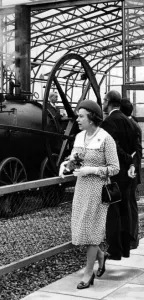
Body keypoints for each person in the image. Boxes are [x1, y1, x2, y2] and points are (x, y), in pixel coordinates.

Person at [59, 100, 119, 289]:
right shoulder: (79, 137)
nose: (77, 119)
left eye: (81, 116)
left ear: (92, 119)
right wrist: (66, 164)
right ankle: (101, 255)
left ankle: (88, 273)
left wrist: (91, 170)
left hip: (98, 190)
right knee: (82, 229)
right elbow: (75, 159)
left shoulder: (106, 139)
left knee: (92, 231)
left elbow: (115, 168)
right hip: (81, 189)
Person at [100, 90, 137, 260]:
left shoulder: (108, 122)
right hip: (128, 174)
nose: (102, 103)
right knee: (124, 210)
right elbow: (133, 147)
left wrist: (126, 158)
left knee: (112, 211)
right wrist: (131, 162)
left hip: (114, 173)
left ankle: (114, 249)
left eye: (103, 100)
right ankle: (125, 249)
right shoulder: (129, 122)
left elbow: (112, 147)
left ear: (108, 101)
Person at [120, 98, 142, 249]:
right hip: (131, 171)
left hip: (127, 172)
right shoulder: (133, 124)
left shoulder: (128, 126)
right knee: (130, 204)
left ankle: (130, 239)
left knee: (128, 205)